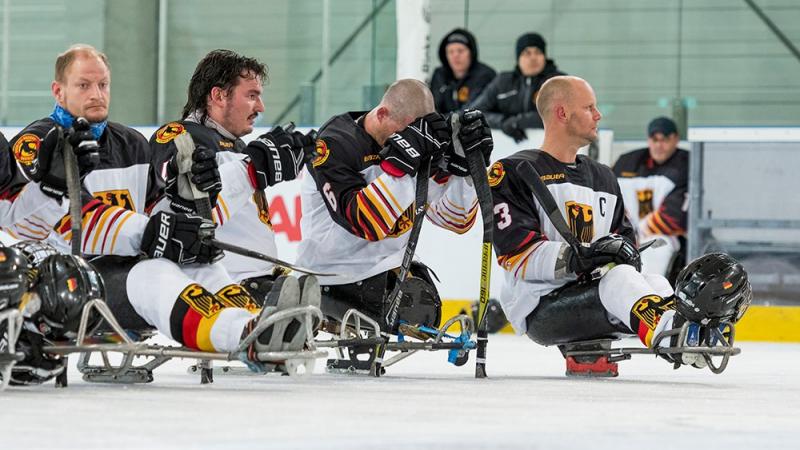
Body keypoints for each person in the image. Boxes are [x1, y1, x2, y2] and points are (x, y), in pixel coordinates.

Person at [7, 45, 306, 379]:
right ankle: (242, 337)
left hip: (124, 268)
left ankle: (261, 321)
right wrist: (153, 233)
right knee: (152, 278)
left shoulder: (132, 142)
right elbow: (68, 222)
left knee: (201, 261)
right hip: (72, 284)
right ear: (58, 91)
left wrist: (187, 228)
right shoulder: (37, 143)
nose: (96, 94)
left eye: (103, 85)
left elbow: (157, 208)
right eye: (83, 85)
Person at [488, 76, 751, 373]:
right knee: (620, 278)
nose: (598, 115)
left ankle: (692, 327)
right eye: (589, 108)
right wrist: (583, 257)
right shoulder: (514, 170)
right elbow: (516, 255)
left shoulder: (602, 176)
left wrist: (621, 253)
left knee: (655, 282)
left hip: (593, 295)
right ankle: (673, 334)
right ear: (562, 113)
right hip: (541, 308)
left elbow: (624, 241)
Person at [298, 79, 493, 332]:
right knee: (406, 305)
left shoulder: (421, 143)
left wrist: (464, 171)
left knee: (422, 307)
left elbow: (456, 220)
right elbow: (365, 223)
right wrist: (404, 165)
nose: (405, 139)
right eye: (403, 132)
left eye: (412, 135)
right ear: (381, 114)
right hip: (333, 274)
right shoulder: (334, 144)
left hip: (390, 272)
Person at [149, 49, 318, 304]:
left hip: (260, 283)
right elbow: (183, 205)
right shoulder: (179, 135)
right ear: (218, 95)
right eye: (251, 96)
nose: (260, 107)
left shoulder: (237, 146)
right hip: (220, 289)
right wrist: (253, 166)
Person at [613, 117, 688, 279]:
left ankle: (648, 297)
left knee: (655, 254)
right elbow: (610, 198)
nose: (659, 145)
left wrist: (641, 233)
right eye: (655, 139)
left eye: (665, 139)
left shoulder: (686, 163)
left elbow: (675, 213)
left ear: (676, 139)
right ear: (649, 140)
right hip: (628, 235)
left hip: (665, 238)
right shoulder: (626, 163)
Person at [469, 32, 565, 143]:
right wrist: (503, 122)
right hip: (507, 152)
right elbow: (475, 113)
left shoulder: (558, 81)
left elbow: (558, 114)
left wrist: (518, 122)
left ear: (544, 56)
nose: (533, 57)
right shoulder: (503, 82)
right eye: (527, 53)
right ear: (518, 58)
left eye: (538, 52)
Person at [428, 28, 496, 115]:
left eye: (460, 51)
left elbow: (473, 110)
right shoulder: (439, 75)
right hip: (443, 126)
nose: (455, 56)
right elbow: (432, 108)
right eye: (450, 52)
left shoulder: (485, 75)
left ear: (471, 53)